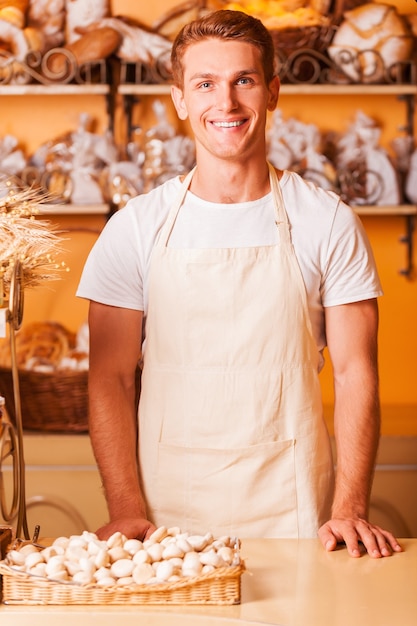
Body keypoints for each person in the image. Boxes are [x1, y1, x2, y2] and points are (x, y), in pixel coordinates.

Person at [77, 9, 402, 558]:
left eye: (243, 81)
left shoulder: (327, 221)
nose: (225, 104)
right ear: (180, 98)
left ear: (272, 92)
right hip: (164, 519)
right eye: (205, 84)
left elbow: (354, 374)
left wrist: (348, 509)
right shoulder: (134, 226)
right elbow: (109, 378)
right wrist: (126, 508)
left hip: (294, 509)